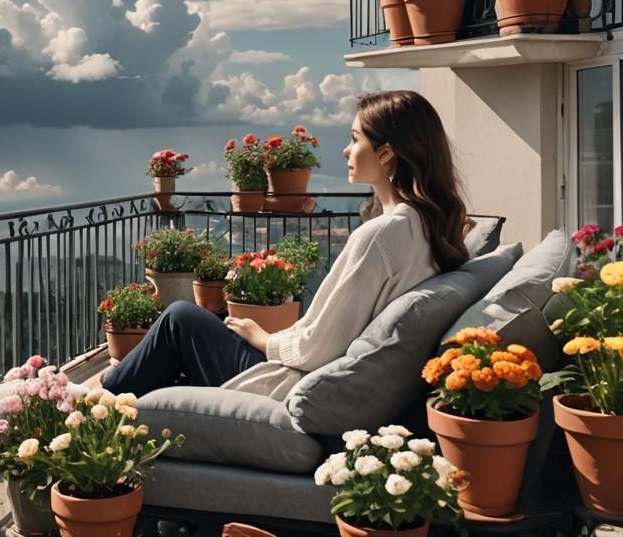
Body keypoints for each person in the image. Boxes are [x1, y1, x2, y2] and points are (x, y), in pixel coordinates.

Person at [101, 90, 470, 399]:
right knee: (202, 325)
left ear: (386, 154)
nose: (345, 150)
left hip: (290, 381)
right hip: (314, 370)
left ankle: (98, 401)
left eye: (355, 139)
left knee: (179, 319)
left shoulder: (382, 237)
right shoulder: (425, 223)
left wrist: (263, 338)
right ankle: (132, 400)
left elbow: (316, 348)